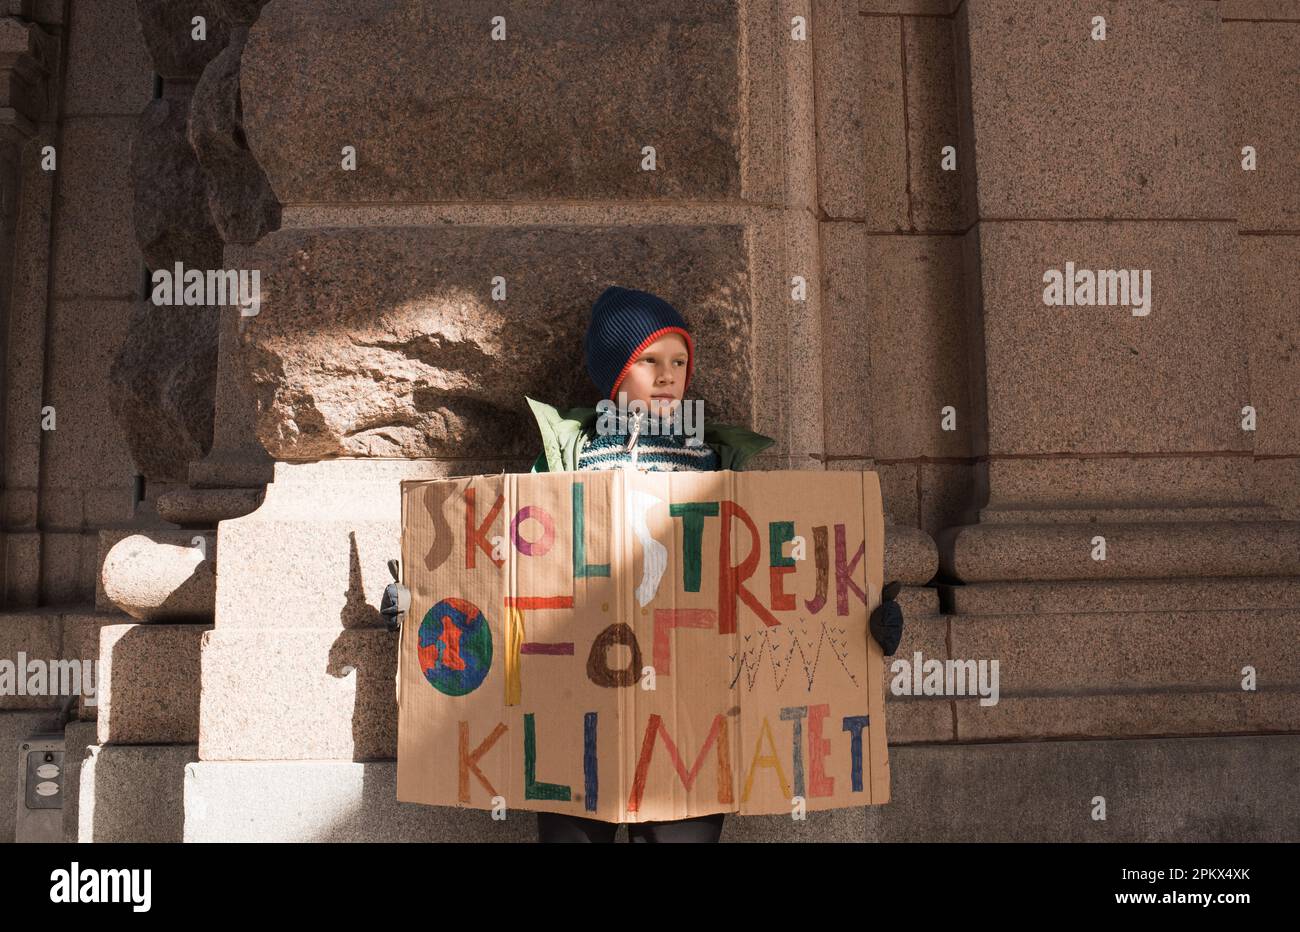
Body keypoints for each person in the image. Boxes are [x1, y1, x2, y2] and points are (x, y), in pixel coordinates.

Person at [522, 285, 905, 843]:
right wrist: (425, 605)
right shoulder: (567, 456)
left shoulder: (715, 461)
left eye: (678, 361)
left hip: (691, 714)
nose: (668, 374)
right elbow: (517, 565)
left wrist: (859, 624)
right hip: (584, 704)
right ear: (613, 374)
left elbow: (772, 583)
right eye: (648, 361)